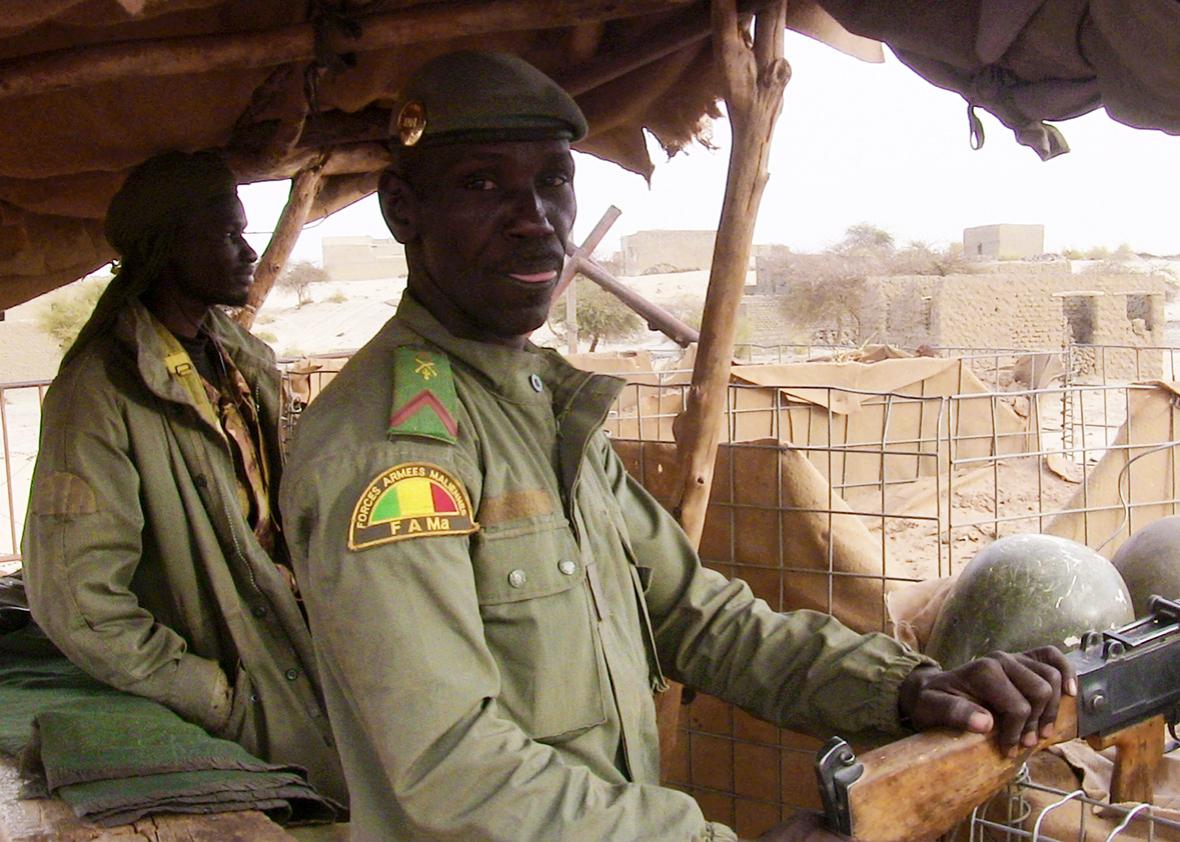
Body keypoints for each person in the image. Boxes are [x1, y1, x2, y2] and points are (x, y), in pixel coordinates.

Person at [280, 51, 1073, 841]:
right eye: (481, 186)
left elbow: (694, 616)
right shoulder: (391, 449)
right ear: (402, 211)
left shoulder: (535, 405)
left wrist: (905, 689)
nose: (533, 218)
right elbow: (453, 769)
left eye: (553, 181)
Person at [22, 151, 347, 806]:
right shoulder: (101, 390)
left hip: (295, 645)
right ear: (169, 247)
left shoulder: (240, 360)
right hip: (241, 676)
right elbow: (77, 601)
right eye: (227, 234)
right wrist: (212, 693)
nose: (249, 250)